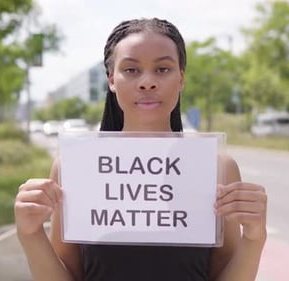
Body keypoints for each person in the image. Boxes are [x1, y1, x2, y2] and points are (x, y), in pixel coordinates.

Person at [14, 17, 267, 281]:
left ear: (180, 79)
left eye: (162, 69)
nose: (147, 82)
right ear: (111, 79)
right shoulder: (75, 167)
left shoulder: (217, 168)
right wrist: (31, 235)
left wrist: (254, 237)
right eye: (132, 70)